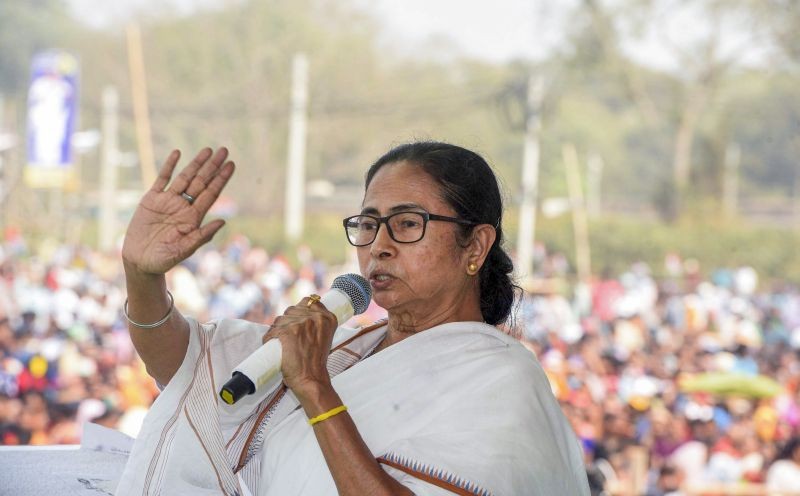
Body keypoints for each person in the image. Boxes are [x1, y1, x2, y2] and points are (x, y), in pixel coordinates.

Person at [116, 142, 590, 495]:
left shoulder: (500, 381)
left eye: (406, 224)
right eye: (368, 224)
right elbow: (185, 368)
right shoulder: (348, 352)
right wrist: (140, 275)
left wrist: (316, 389)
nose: (378, 246)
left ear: (476, 246)